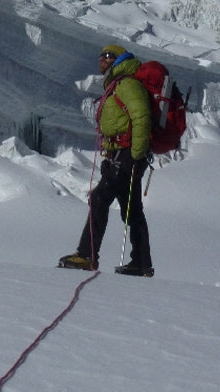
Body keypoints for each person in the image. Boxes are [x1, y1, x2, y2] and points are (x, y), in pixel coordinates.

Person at [60, 44, 155, 277]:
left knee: (99, 198)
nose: (100, 60)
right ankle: (141, 263)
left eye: (105, 56)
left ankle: (86, 255)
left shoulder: (128, 85)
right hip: (121, 155)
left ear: (115, 59)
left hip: (128, 155)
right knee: (132, 210)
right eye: (100, 55)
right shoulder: (118, 85)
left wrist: (135, 156)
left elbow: (142, 117)